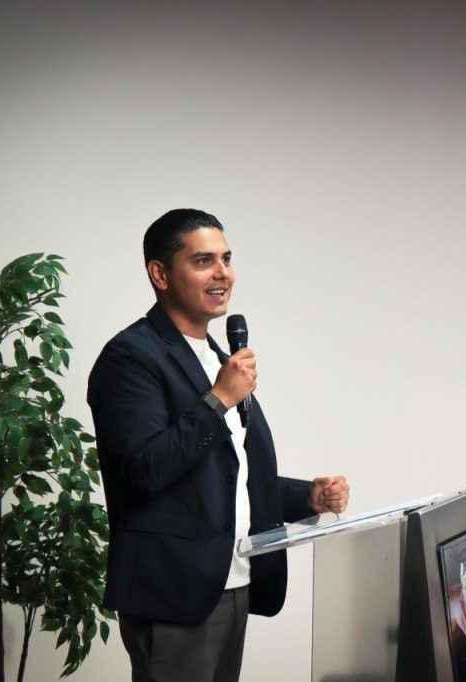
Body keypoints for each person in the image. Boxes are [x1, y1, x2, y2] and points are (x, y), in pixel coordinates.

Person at [87, 208, 349, 681]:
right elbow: (142, 471)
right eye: (203, 261)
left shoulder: (216, 356)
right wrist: (219, 399)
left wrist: (305, 496)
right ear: (160, 274)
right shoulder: (129, 358)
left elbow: (227, 473)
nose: (222, 273)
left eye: (226, 259)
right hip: (173, 595)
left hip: (234, 583)